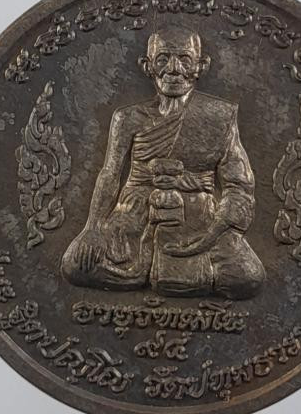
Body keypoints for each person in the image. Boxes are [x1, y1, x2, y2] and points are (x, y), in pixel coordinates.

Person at [61, 25, 265, 299]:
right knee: (75, 265)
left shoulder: (219, 116)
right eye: (163, 59)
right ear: (147, 66)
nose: (174, 69)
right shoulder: (128, 118)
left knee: (249, 277)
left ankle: (163, 274)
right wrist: (93, 228)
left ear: (201, 66)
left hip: (199, 216)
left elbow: (239, 185)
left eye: (185, 60)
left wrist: (213, 233)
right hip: (135, 212)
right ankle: (155, 272)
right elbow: (110, 173)